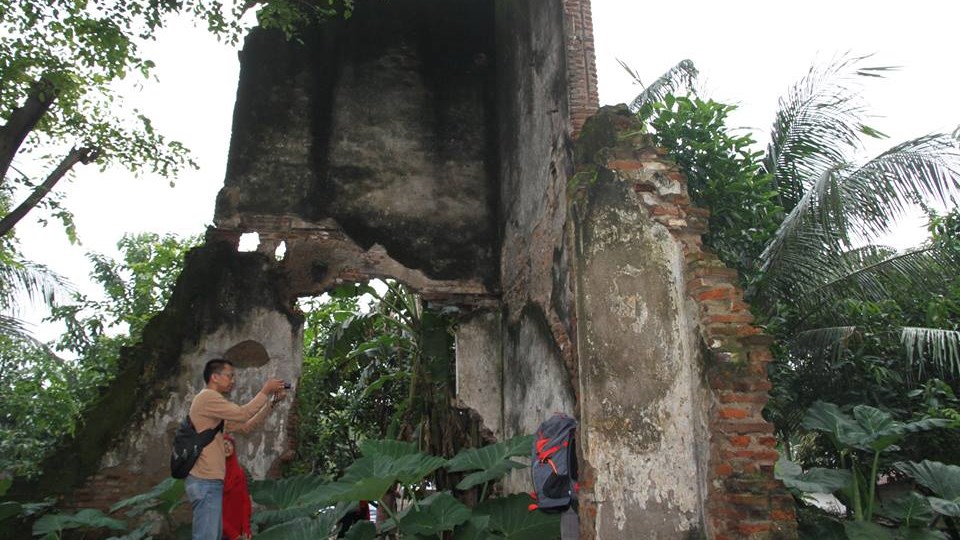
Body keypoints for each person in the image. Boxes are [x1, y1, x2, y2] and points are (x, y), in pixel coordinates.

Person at [185, 358, 286, 540]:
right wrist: (265, 390)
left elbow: (246, 426)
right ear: (215, 377)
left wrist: (271, 404)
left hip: (211, 481)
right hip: (205, 480)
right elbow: (242, 413)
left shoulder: (214, 413)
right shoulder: (207, 397)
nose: (233, 380)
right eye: (229, 376)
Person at [221, 435, 252, 540]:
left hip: (239, 530)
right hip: (220, 530)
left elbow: (245, 501)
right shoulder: (215, 475)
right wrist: (232, 534)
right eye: (223, 444)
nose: (227, 447)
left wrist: (246, 528)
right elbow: (213, 509)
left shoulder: (239, 473)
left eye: (229, 444)